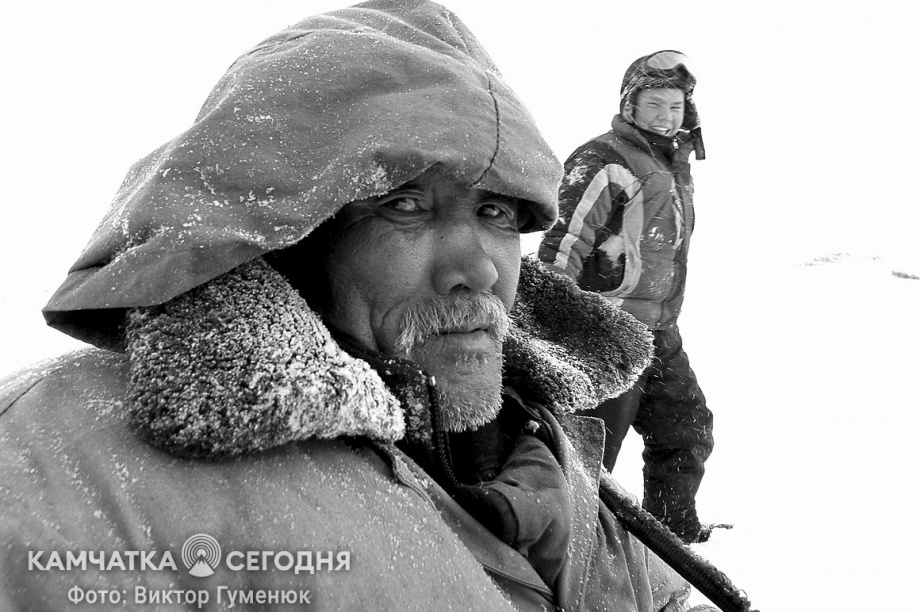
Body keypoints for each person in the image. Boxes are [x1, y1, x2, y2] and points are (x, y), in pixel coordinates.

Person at [0, 6, 726, 611]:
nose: (479, 269)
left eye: (499, 212)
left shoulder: (535, 432)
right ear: (289, 236)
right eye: (406, 204)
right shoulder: (63, 469)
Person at [538, 51, 715, 544]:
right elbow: (564, 243)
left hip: (660, 329)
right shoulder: (604, 159)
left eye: (676, 107)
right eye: (654, 104)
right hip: (606, 330)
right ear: (629, 104)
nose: (666, 116)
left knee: (686, 429)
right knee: (591, 452)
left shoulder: (671, 164)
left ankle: (668, 537)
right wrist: (558, 326)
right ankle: (574, 545)